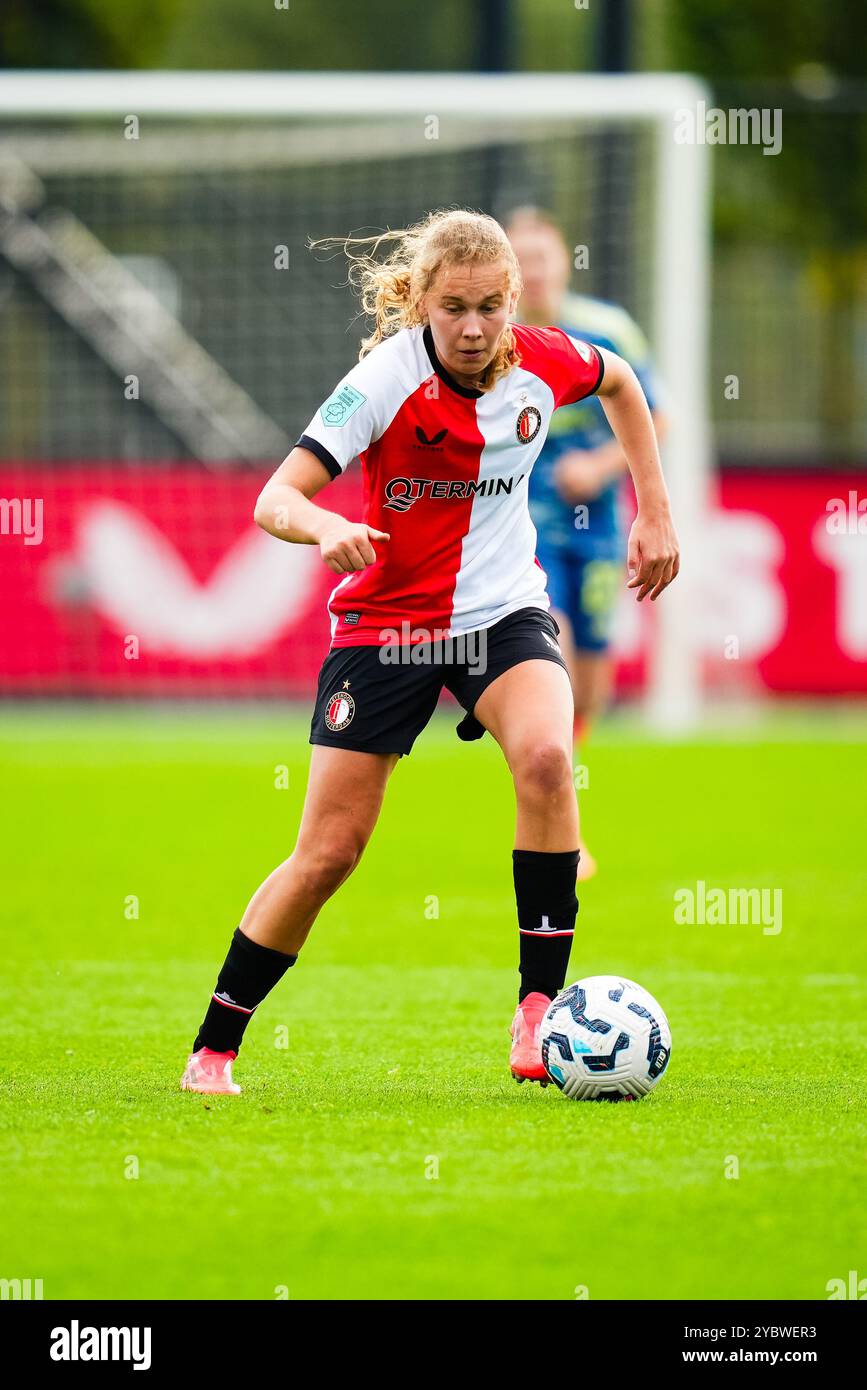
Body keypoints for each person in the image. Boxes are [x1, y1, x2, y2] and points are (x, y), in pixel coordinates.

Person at [180, 208, 679, 1096]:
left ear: (513, 301)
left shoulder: (543, 358)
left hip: (501, 614)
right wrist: (326, 524)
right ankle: (214, 1047)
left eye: (492, 305)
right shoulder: (381, 380)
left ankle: (537, 1009)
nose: (476, 327)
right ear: (420, 301)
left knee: (548, 759)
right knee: (330, 851)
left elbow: (623, 382)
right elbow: (275, 499)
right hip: (389, 629)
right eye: (455, 307)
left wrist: (654, 509)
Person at [506, 207, 669, 879]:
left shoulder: (605, 331)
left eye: (542, 257)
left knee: (594, 681)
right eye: (520, 260)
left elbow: (657, 413)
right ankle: (555, 824)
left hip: (597, 526)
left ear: (563, 263)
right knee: (558, 656)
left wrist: (599, 468)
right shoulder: (488, 334)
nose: (533, 271)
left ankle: (557, 794)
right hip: (523, 523)